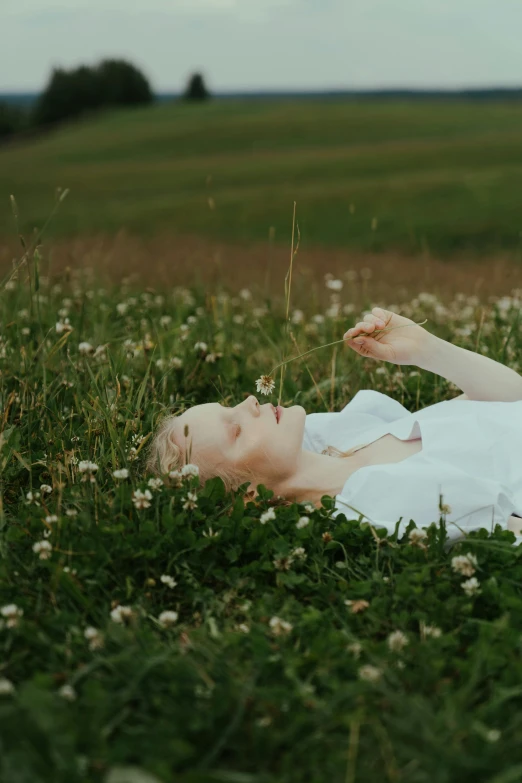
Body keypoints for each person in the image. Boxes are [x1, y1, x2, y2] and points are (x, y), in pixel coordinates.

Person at [146, 306, 522, 544]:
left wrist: (426, 350)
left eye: (230, 405)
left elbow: (511, 399)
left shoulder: (339, 434)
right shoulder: (370, 504)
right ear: (249, 495)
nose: (249, 402)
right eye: (236, 430)